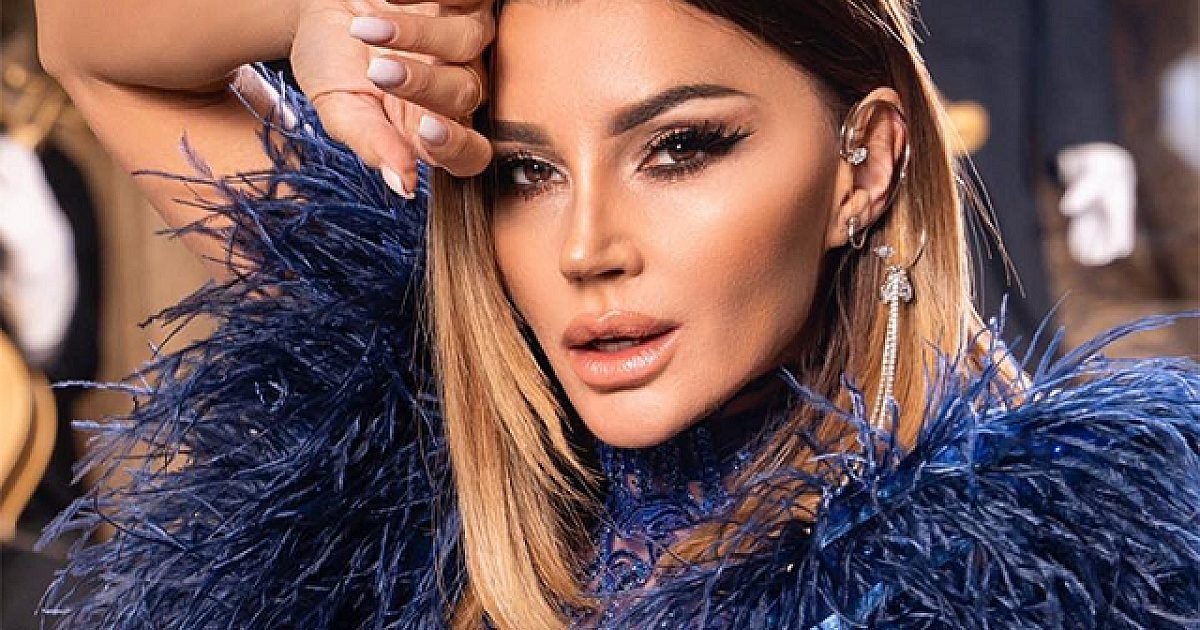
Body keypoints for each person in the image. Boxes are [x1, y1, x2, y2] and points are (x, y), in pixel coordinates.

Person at [33, 0, 1199, 628]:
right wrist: (335, 13)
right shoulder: (409, 421)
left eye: (681, 148)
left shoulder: (1036, 580)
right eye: (525, 173)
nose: (586, 250)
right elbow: (83, 40)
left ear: (868, 162)